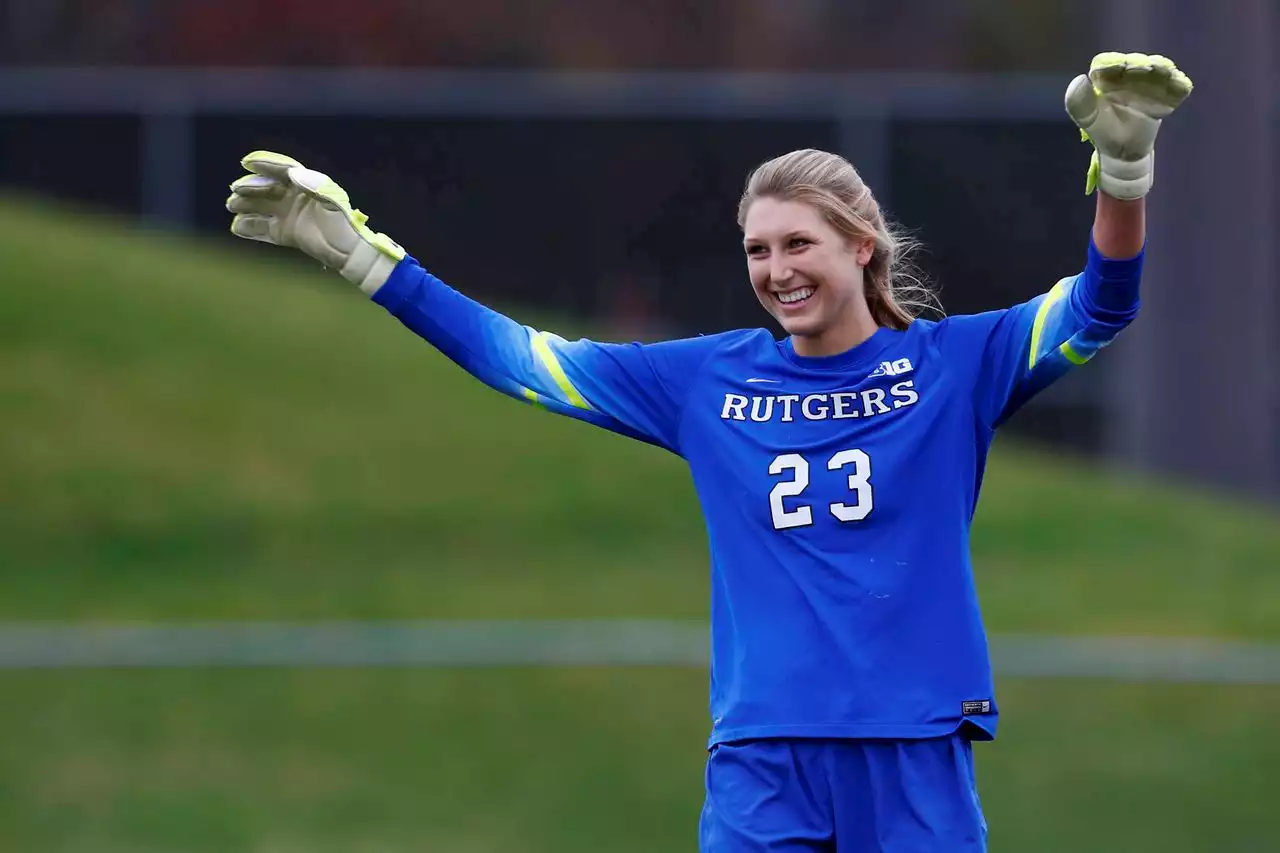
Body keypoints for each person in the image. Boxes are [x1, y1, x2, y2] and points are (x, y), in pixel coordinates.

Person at [225, 52, 1192, 852]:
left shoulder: (954, 365)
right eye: (757, 250)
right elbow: (524, 363)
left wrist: (1126, 164)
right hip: (763, 754)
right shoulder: (707, 383)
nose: (776, 270)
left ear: (861, 247)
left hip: (912, 743)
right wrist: (363, 259)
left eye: (798, 244)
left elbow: (1105, 301)